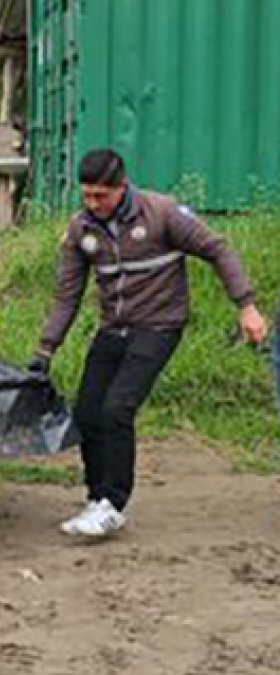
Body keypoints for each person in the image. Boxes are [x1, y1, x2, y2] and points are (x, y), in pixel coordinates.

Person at [30, 148, 268, 538]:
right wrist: (44, 350)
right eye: (86, 196)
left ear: (121, 187)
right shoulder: (81, 230)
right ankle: (96, 499)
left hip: (158, 326)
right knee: (88, 413)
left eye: (101, 196)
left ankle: (114, 504)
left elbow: (218, 250)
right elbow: (66, 296)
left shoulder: (163, 213)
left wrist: (246, 306)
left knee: (117, 408)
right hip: (113, 327)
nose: (93, 204)